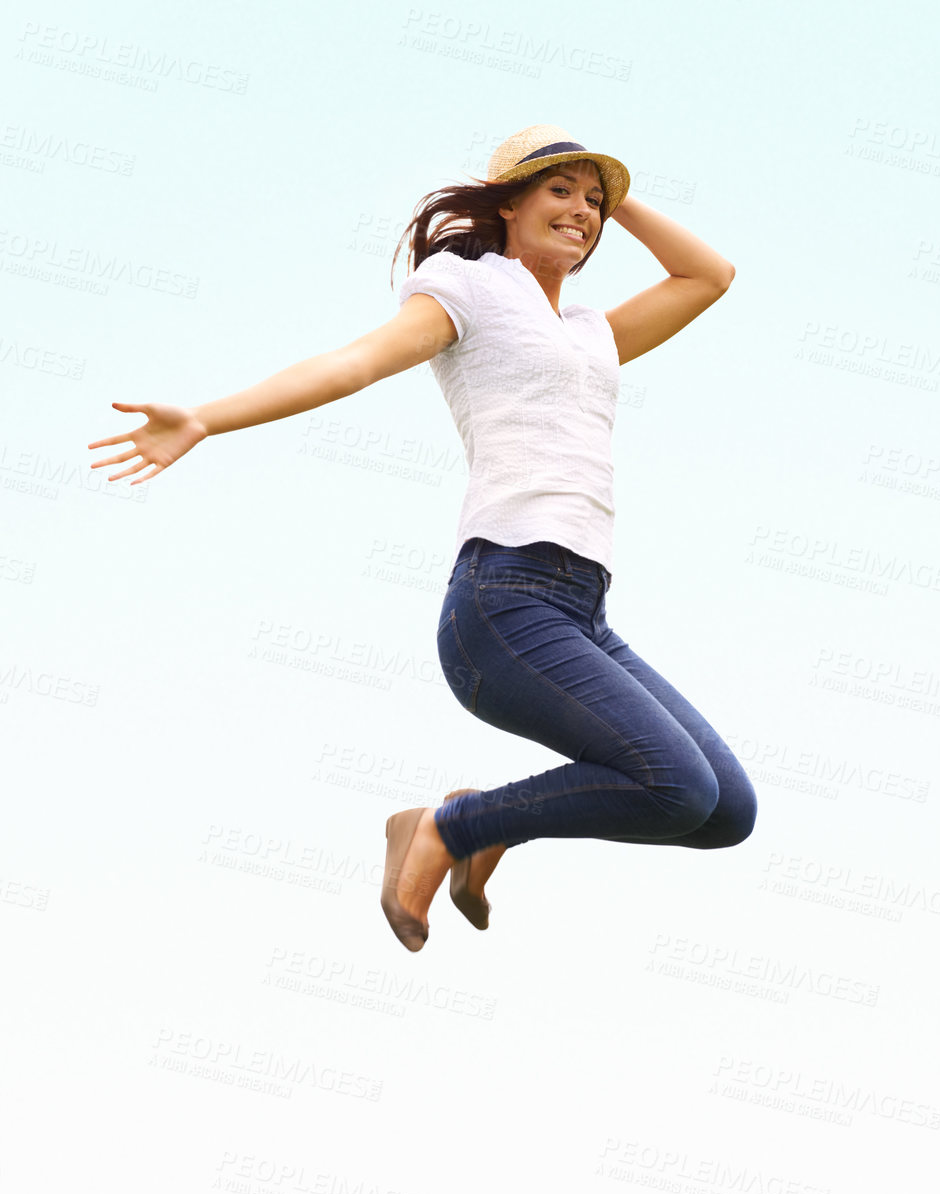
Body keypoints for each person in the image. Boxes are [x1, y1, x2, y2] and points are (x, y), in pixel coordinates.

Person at [87, 124, 756, 953]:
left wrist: (616, 200)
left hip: (581, 609)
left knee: (726, 808)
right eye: (560, 191)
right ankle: (448, 828)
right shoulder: (467, 286)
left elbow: (709, 275)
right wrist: (206, 418)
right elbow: (355, 363)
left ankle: (484, 826)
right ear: (507, 203)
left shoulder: (591, 332)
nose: (581, 211)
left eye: (593, 198)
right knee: (675, 786)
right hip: (504, 602)